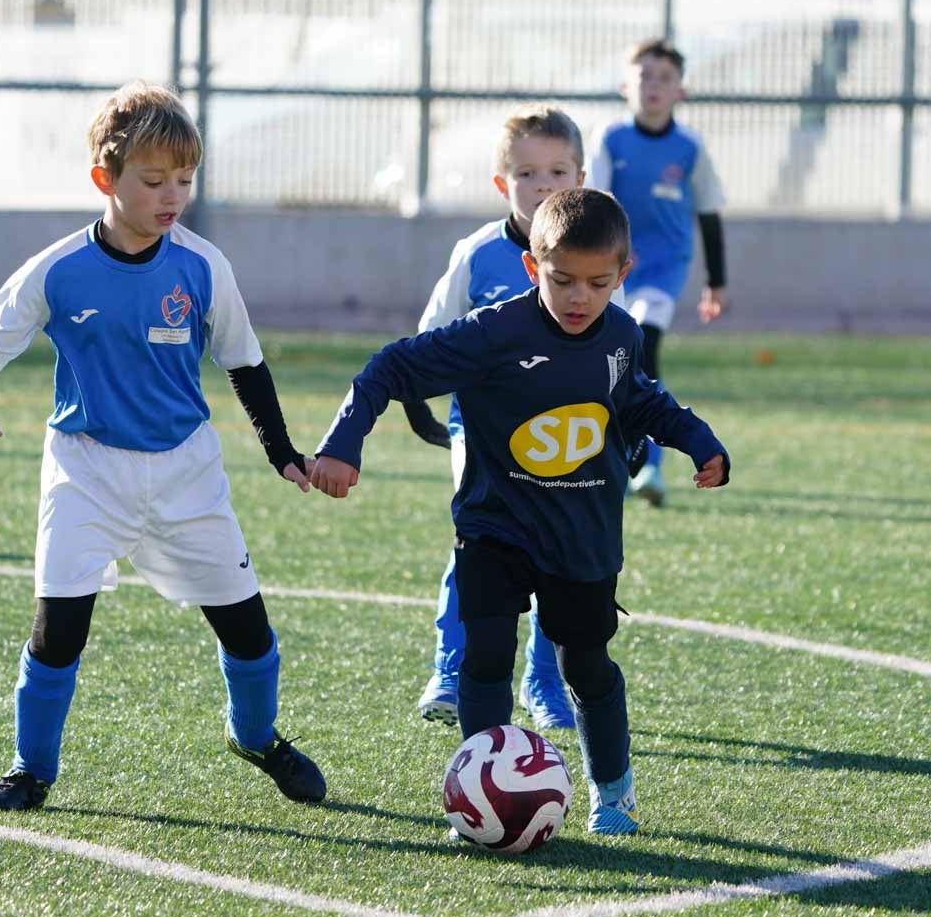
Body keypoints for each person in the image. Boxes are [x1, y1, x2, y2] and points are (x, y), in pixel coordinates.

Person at [0, 80, 325, 811]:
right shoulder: (58, 268)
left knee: (248, 632)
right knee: (59, 633)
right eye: (153, 180)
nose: (171, 195)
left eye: (184, 179)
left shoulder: (203, 265)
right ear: (105, 180)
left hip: (187, 471)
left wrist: (281, 451)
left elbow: (243, 361)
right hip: (85, 471)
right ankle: (31, 768)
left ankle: (256, 736)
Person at [310, 188, 729, 835]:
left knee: (586, 665)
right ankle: (480, 789)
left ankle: (613, 793)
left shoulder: (620, 334)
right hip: (494, 526)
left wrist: (698, 441)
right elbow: (390, 366)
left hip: (582, 534)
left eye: (598, 282)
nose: (579, 297)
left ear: (624, 273)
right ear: (534, 269)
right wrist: (342, 442)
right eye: (562, 280)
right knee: (486, 656)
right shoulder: (495, 332)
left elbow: (642, 400)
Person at [404, 103, 589, 734]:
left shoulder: (594, 250)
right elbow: (431, 337)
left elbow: (615, 347)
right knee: (477, 548)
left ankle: (543, 681)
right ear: (501, 184)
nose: (544, 187)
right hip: (481, 434)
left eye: (557, 172)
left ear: (581, 178)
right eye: (527, 174)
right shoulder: (478, 253)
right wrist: (417, 404)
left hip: (569, 437)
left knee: (557, 558)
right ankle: (451, 670)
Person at [587, 37, 730, 508]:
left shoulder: (689, 147)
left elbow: (708, 213)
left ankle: (649, 463)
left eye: (665, 78)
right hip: (612, 270)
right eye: (645, 76)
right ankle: (612, 455)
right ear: (624, 85)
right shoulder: (610, 139)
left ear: (680, 93)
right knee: (606, 361)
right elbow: (592, 204)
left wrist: (716, 281)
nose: (654, 86)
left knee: (643, 344)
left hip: (665, 269)